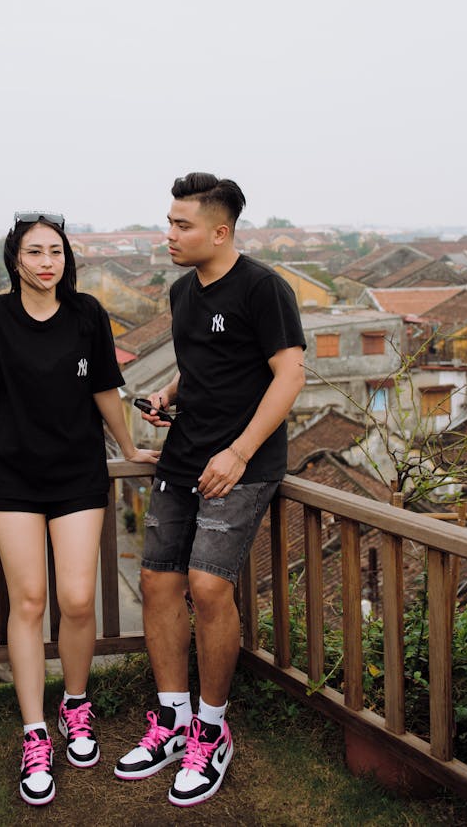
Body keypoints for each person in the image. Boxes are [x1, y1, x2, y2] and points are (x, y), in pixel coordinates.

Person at [0, 212, 159, 807]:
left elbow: (105, 388)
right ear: (14, 260)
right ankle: (34, 733)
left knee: (76, 598)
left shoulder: (88, 314)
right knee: (28, 601)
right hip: (13, 475)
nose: (47, 262)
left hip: (77, 472)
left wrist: (127, 448)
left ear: (66, 258)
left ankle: (76, 706)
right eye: (35, 252)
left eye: (56, 251)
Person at [114, 174, 306, 807]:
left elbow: (289, 375)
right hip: (183, 455)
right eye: (169, 223)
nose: (168, 235)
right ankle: (171, 718)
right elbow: (203, 364)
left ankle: (212, 730)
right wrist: (171, 393)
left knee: (207, 586)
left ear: (220, 231)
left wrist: (239, 450)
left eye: (181, 225)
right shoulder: (182, 292)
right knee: (159, 581)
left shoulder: (263, 287)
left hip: (240, 465)